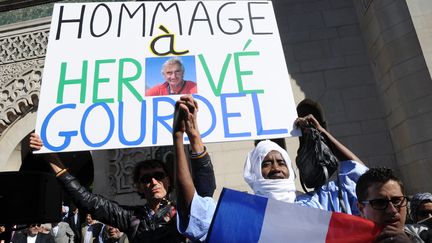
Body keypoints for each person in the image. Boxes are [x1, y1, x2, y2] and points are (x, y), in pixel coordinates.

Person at [29, 130, 214, 243]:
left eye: (159, 176)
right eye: (146, 179)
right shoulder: (131, 218)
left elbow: (205, 187)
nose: (154, 182)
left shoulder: (181, 211)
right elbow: (86, 200)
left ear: (168, 181)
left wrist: (194, 135)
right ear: (139, 187)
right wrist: (50, 156)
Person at [294, 114, 368, 215]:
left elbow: (360, 169)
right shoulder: (308, 201)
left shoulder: (347, 186)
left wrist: (320, 131)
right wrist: (321, 132)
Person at [356, 167, 418, 242]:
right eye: (380, 203)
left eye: (397, 201)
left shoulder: (424, 235)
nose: (392, 210)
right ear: (361, 209)